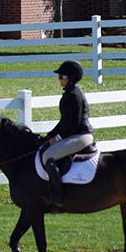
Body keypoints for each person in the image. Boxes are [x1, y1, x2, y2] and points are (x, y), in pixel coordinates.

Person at [41, 60, 95, 207]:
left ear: (70, 78)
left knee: (48, 156)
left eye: (61, 76)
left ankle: (58, 195)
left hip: (81, 136)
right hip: (74, 134)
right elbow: (64, 121)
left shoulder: (74, 95)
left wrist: (58, 138)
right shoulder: (69, 93)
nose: (59, 79)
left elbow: (74, 123)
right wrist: (49, 135)